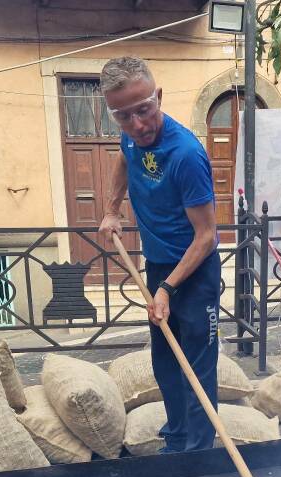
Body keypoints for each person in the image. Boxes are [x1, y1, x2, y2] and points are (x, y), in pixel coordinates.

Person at [97, 57, 220, 452]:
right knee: (165, 360)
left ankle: (199, 453)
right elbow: (124, 157)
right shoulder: (131, 137)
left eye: (144, 111)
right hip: (158, 266)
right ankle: (177, 437)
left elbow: (207, 237)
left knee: (196, 367)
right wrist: (112, 209)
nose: (137, 125)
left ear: (159, 97)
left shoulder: (186, 154)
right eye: (123, 116)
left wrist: (167, 287)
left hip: (194, 271)